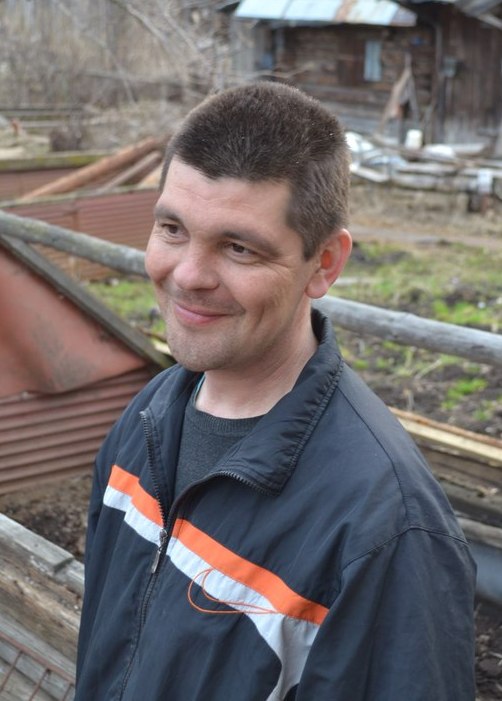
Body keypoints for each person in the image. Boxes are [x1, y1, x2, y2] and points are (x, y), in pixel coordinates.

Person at [75, 81, 476, 701]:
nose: (187, 275)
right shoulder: (149, 415)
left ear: (325, 263)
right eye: (172, 228)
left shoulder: (385, 530)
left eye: (239, 248)